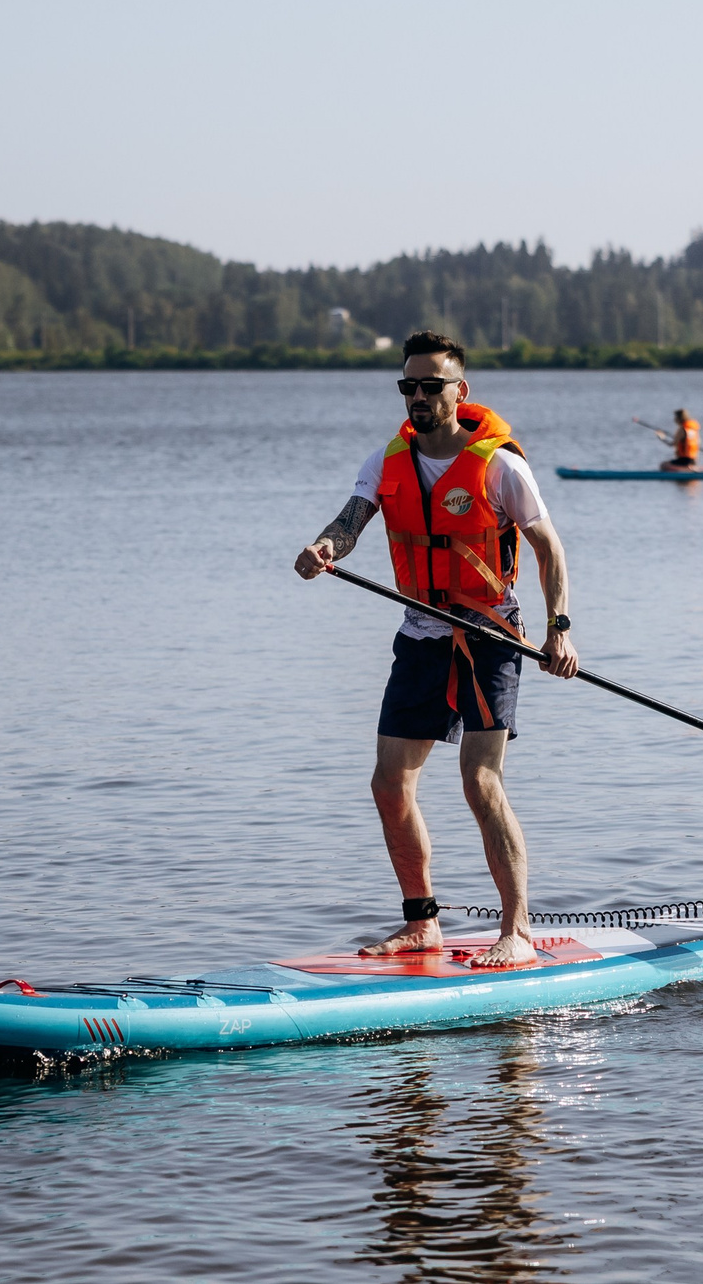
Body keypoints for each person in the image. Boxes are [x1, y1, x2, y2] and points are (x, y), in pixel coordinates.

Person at [294, 330, 579, 971]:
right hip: (421, 636)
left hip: (489, 637)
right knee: (389, 784)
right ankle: (422, 923)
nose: (418, 397)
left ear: (459, 390)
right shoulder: (386, 460)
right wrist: (324, 549)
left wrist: (559, 628)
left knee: (479, 780)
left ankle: (517, 930)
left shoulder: (499, 465)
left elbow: (549, 548)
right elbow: (350, 521)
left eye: (431, 386)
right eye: (408, 386)